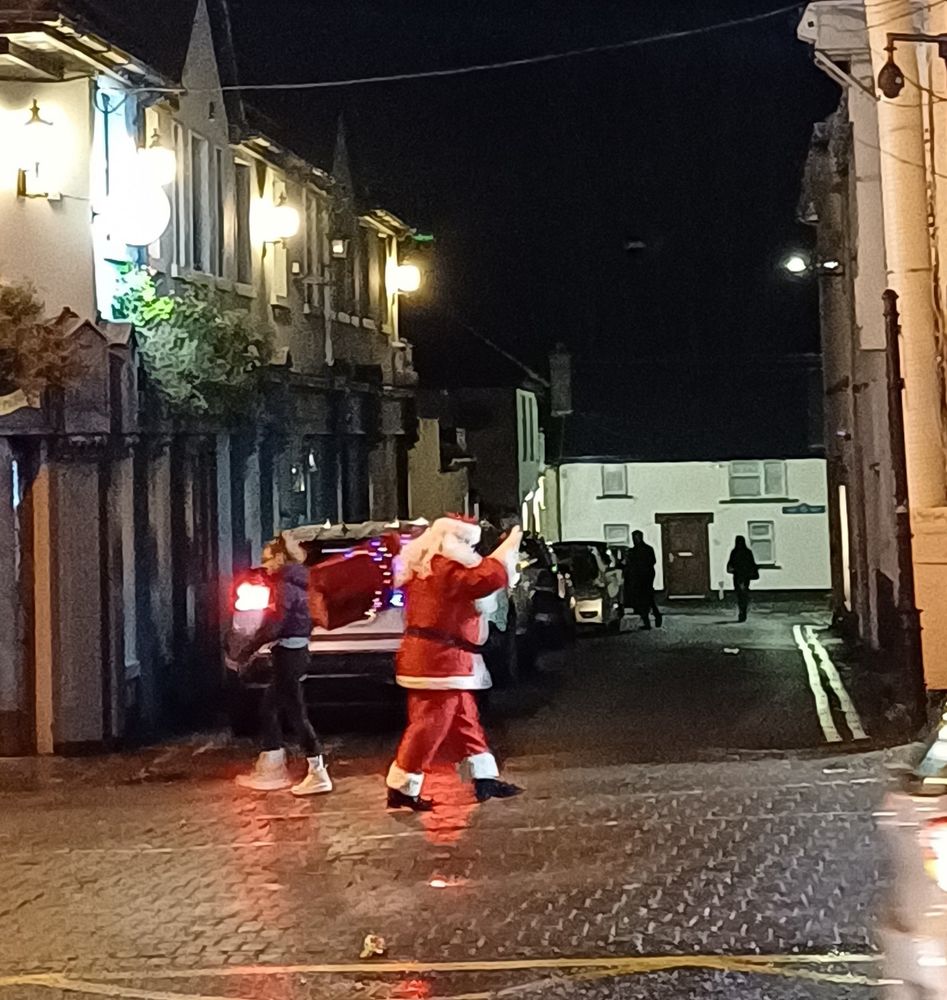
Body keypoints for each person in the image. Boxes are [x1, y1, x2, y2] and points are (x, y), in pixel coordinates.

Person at [385, 515, 525, 811]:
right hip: (439, 661)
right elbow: (485, 579)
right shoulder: (445, 566)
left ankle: (483, 776)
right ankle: (402, 783)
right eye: (465, 542)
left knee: (464, 718)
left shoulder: (428, 564)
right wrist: (507, 550)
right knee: (431, 724)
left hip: (438, 658)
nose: (468, 549)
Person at [236, 532, 332, 796]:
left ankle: (313, 770)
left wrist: (247, 650)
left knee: (293, 713)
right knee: (275, 708)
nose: (264, 564)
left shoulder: (284, 585)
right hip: (296, 651)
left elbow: (274, 624)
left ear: (279, 557)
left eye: (266, 558)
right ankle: (275, 763)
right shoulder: (302, 581)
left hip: (288, 654)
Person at [623, 530, 663, 630]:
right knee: (647, 599)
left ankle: (650, 620)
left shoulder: (635, 551)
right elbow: (653, 561)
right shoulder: (647, 549)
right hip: (645, 577)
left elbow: (630, 565)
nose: (635, 540)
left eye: (636, 538)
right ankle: (654, 618)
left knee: (644, 600)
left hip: (642, 578)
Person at [727, 535, 760, 623]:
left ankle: (742, 611)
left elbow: (730, 564)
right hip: (745, 576)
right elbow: (752, 564)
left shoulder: (734, 552)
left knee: (740, 594)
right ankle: (743, 611)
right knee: (743, 594)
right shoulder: (747, 552)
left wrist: (733, 569)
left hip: (738, 576)